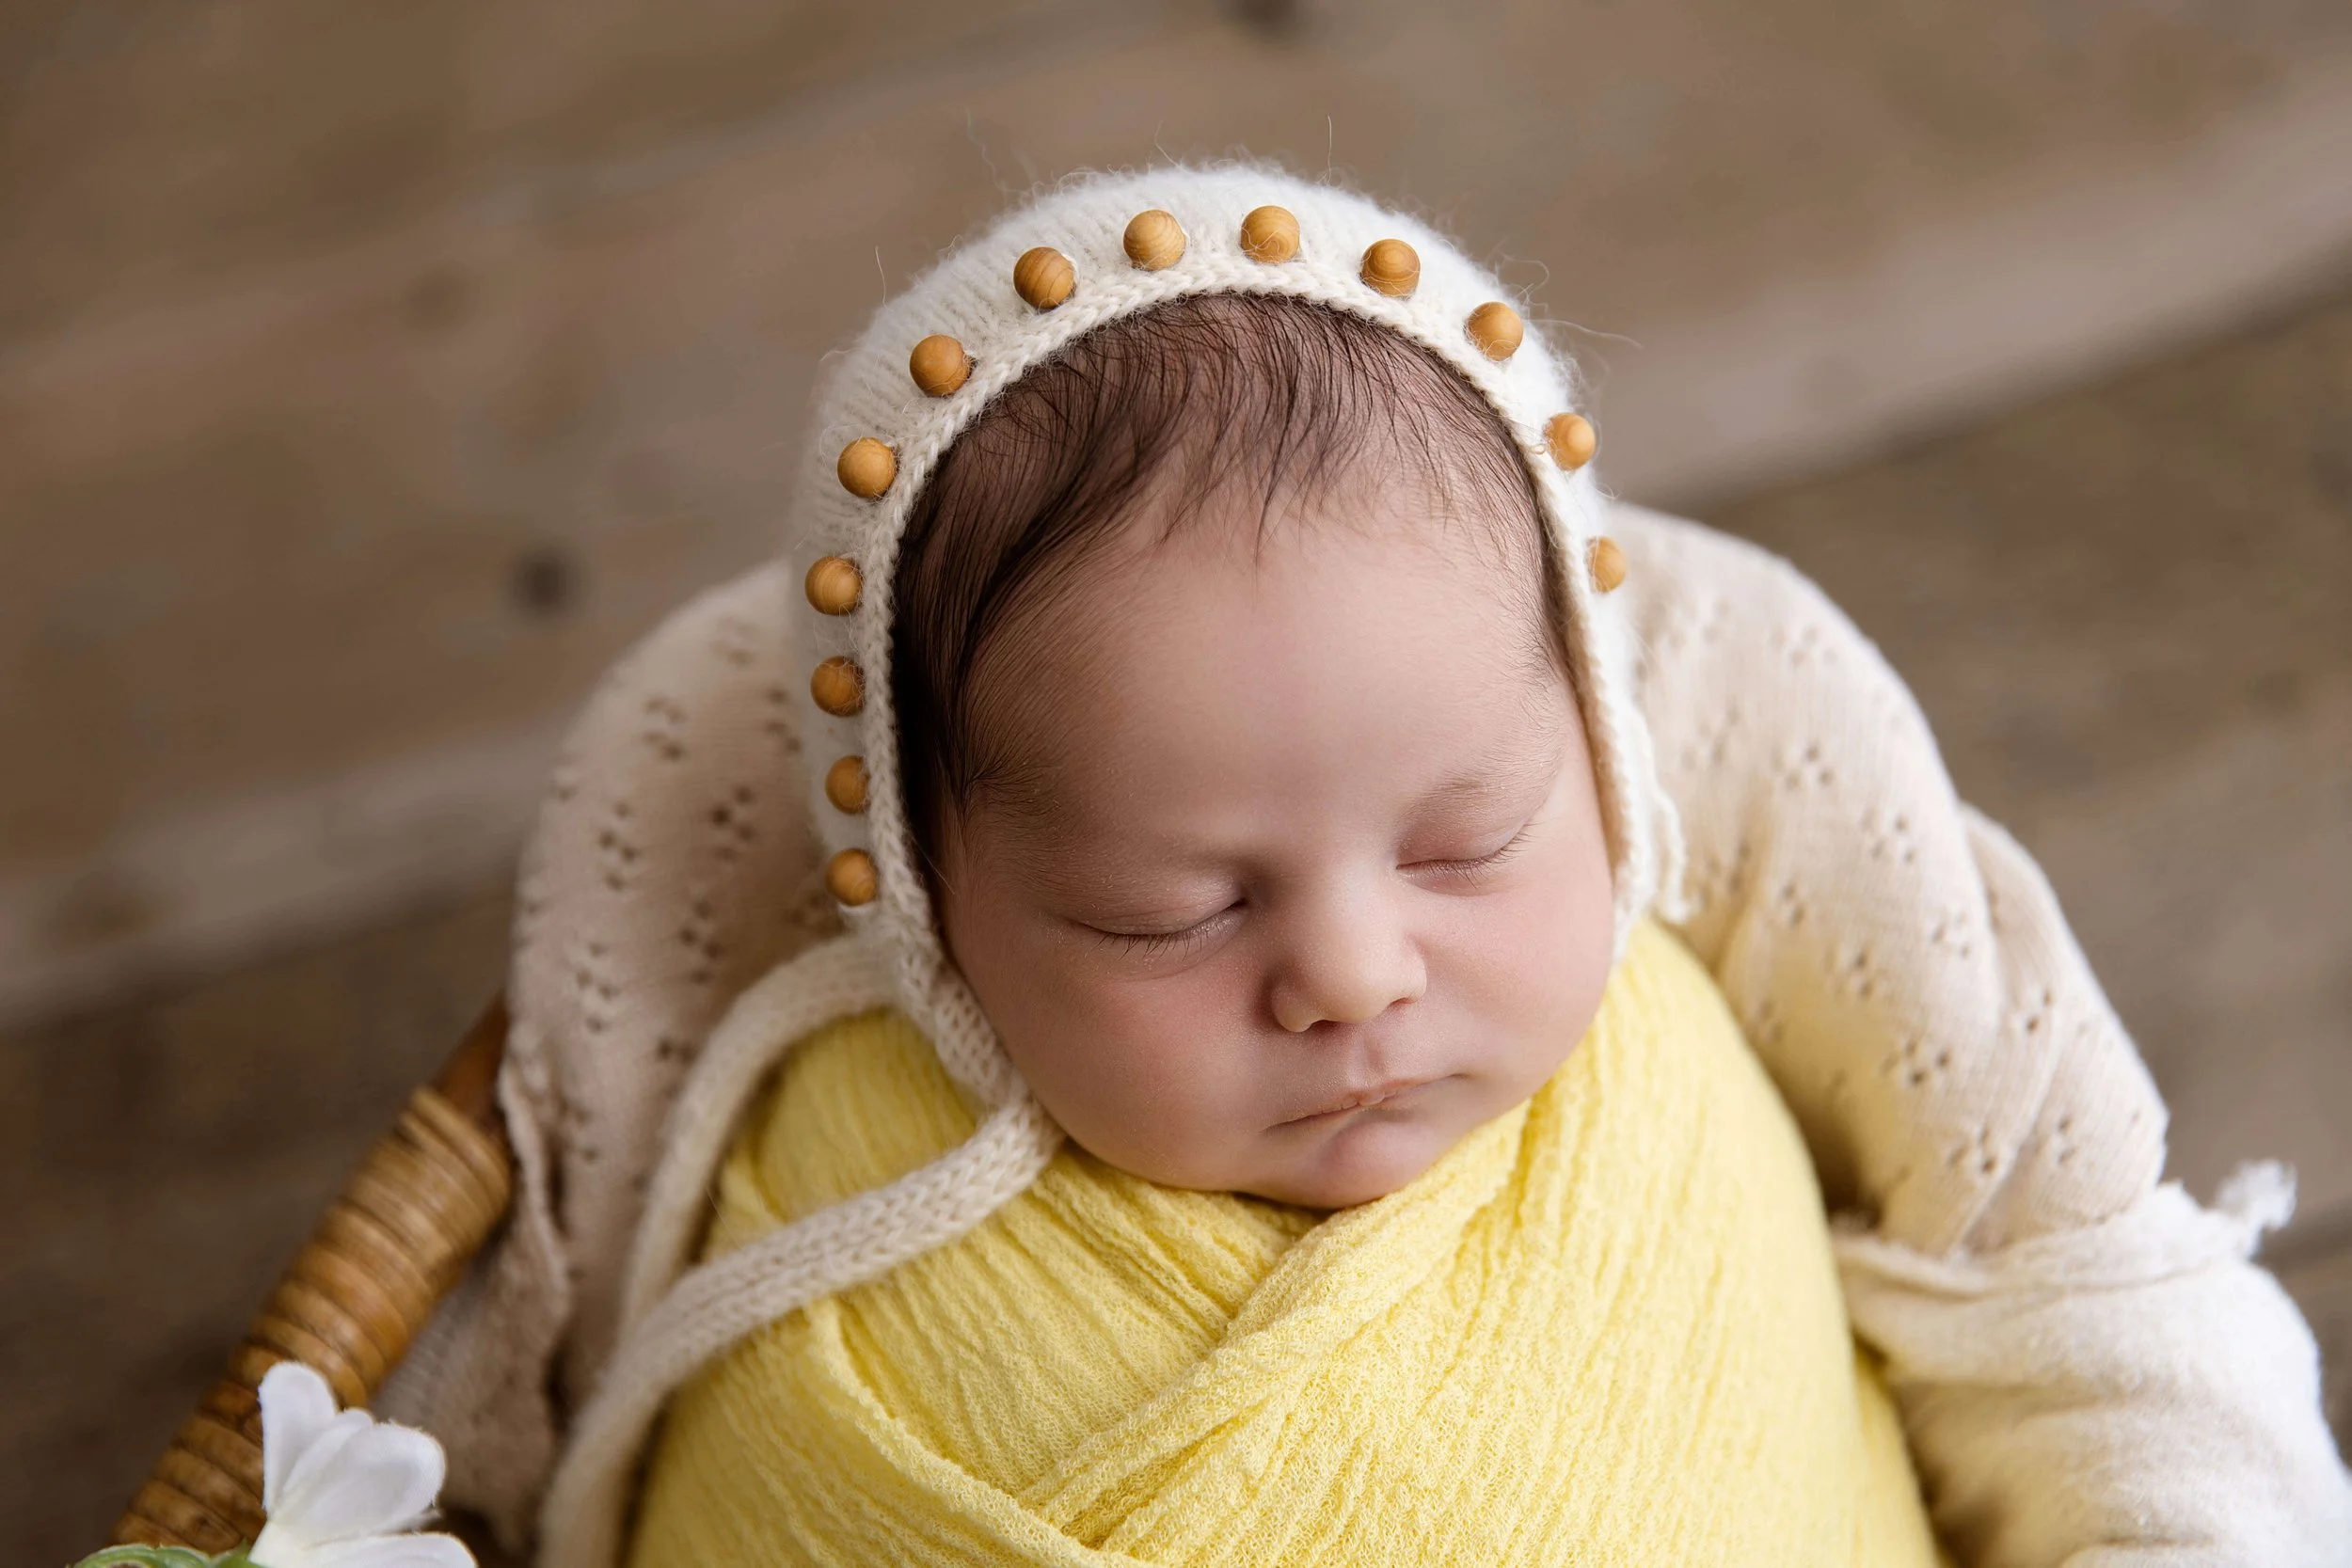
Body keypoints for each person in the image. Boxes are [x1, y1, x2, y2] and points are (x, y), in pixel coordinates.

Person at [390, 167, 2350, 1567]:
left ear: (1599, 750)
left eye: (1466, 838)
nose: (1348, 968)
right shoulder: (812, 1191)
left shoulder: (1689, 1057)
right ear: (928, 912)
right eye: (1172, 907)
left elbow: (2082, 1347)